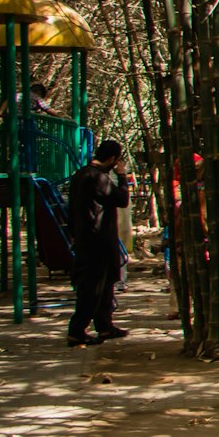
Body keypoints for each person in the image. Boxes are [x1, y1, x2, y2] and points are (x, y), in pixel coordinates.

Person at [66, 139, 131, 346]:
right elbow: (121, 199)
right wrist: (122, 177)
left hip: (89, 238)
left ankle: (104, 326)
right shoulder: (97, 177)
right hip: (98, 241)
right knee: (92, 288)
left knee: (105, 285)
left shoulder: (81, 174)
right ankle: (77, 330)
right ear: (112, 159)